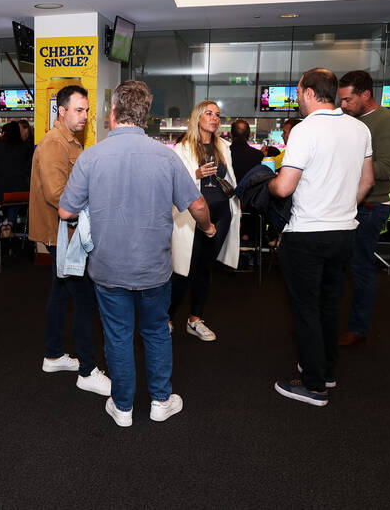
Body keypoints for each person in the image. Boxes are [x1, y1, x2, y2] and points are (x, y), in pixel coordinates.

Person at [58, 80, 214, 426]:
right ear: (146, 115)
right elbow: (198, 205)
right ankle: (160, 400)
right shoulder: (166, 157)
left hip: (108, 267)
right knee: (156, 330)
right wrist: (207, 227)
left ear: (113, 113)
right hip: (154, 268)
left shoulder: (91, 156)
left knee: (117, 334)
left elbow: (66, 211)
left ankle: (123, 406)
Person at [269, 68, 373, 407]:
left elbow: (284, 186)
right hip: (343, 231)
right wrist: (341, 207)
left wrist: (265, 183)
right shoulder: (360, 128)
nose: (298, 99)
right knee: (329, 306)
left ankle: (314, 386)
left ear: (311, 93)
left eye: (299, 93)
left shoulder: (304, 129)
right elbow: (367, 181)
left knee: (306, 310)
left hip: (308, 234)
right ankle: (326, 370)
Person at [29, 84, 110, 396]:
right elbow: (57, 195)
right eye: (79, 110)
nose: (85, 116)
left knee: (61, 291)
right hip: (62, 233)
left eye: (87, 110)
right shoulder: (54, 144)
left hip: (65, 232)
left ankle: (53, 354)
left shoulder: (70, 141)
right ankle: (88, 370)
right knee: (85, 298)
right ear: (61, 112)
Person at [337, 70, 390, 346]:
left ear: (366, 95)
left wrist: (343, 168)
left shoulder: (387, 122)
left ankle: (358, 328)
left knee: (361, 268)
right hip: (351, 205)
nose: (343, 105)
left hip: (371, 206)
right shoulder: (352, 120)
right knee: (345, 267)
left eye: (348, 99)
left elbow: (387, 168)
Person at [169, 101, 241, 341]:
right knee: (183, 269)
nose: (214, 118)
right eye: (209, 114)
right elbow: (173, 182)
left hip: (221, 214)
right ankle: (166, 318)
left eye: (217, 115)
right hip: (193, 216)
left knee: (204, 269)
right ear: (198, 117)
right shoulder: (183, 147)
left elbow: (229, 178)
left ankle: (194, 319)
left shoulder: (223, 146)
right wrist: (196, 175)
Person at [229, 119, 263, 183]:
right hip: (251, 192)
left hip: (228, 191)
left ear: (231, 134)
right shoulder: (259, 155)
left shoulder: (223, 154)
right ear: (249, 135)